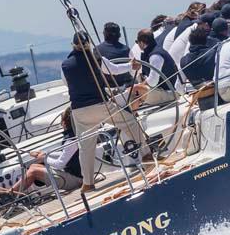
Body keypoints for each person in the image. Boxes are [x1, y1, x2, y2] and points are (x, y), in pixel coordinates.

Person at [62, 31, 146, 193]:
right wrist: (131, 66)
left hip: (79, 110)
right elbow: (113, 69)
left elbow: (67, 85)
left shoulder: (65, 65)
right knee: (129, 121)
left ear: (73, 45)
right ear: (89, 44)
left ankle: (88, 183)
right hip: (100, 105)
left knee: (85, 146)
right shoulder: (95, 58)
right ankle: (147, 153)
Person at [12, 107, 82, 193]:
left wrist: (44, 158)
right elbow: (65, 154)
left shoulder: (71, 140)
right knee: (34, 166)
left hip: (76, 180)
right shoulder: (74, 136)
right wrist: (44, 154)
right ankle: (11, 192)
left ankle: (10, 194)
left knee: (33, 171)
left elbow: (60, 164)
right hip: (76, 176)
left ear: (64, 123)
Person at [133, 28, 180, 105]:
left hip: (170, 93)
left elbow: (153, 81)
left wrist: (140, 86)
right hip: (164, 90)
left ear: (141, 43)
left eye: (137, 42)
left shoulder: (155, 56)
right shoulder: (156, 51)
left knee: (134, 91)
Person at [97, 22, 132, 87]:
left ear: (104, 34)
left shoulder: (97, 50)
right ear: (119, 35)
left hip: (106, 88)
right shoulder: (126, 49)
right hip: (126, 87)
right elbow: (134, 68)